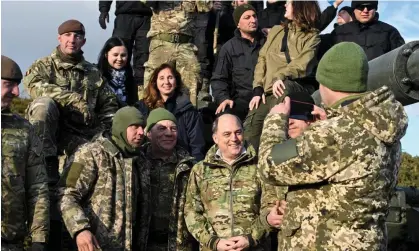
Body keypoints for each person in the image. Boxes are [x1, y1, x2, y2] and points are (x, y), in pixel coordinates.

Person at [258, 42, 408, 250]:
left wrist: (275, 121)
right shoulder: (381, 126)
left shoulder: (334, 134)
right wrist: (331, 120)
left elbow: (270, 164)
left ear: (326, 83)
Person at [23, 19, 118, 250]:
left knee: (72, 192)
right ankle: (44, 163)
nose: (72, 40)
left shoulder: (93, 74)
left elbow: (109, 106)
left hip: (79, 147)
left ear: (83, 41)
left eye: (77, 36)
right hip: (47, 144)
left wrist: (104, 134)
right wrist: (73, 99)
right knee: (44, 105)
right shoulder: (44, 65)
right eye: (67, 35)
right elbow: (34, 87)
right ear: (59, 38)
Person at [184, 113, 282, 251]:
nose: (234, 138)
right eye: (227, 134)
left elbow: (270, 206)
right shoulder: (200, 170)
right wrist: (214, 242)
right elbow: (191, 212)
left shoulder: (260, 166)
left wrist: (251, 238)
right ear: (215, 138)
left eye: (238, 132)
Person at [58, 106, 146, 251]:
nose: (141, 132)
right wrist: (80, 229)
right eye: (135, 126)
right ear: (121, 127)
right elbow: (65, 193)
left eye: (143, 127)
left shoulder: (140, 160)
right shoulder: (88, 153)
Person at [244, 0, 321, 152]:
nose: (285, 5)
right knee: (250, 133)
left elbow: (302, 64)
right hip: (266, 92)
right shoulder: (277, 31)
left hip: (291, 87)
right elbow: (262, 59)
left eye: (289, 3)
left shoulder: (313, 37)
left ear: (299, 6)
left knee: (278, 128)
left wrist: (280, 76)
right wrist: (257, 88)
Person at [1, 55, 49, 251]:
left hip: (11, 243)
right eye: (8, 84)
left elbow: (37, 186)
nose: (15, 92)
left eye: (17, 85)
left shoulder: (25, 130)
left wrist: (39, 238)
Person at [136, 108, 197, 251]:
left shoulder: (190, 167)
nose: (169, 133)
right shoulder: (135, 162)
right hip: (142, 244)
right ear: (149, 134)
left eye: (173, 128)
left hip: (177, 246)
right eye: (162, 128)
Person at [142, 1, 212, 106]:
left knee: (191, 84)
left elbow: (205, 7)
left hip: (186, 44)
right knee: (154, 85)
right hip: (161, 42)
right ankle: (153, 117)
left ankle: (187, 118)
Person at [135, 63, 206, 161]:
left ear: (176, 82)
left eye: (170, 77)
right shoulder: (143, 107)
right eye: (162, 78)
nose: (166, 82)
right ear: (155, 82)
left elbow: (197, 144)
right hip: (149, 162)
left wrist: (194, 167)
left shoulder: (187, 109)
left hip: (181, 162)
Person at [211, 4, 266, 121]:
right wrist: (223, 98)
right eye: (247, 17)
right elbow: (219, 79)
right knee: (225, 117)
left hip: (265, 97)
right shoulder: (228, 48)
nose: (253, 20)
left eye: (254, 16)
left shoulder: (268, 42)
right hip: (240, 101)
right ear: (238, 24)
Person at [98, 0, 152, 92]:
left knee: (144, 55)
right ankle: (110, 87)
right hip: (124, 14)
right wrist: (104, 10)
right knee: (118, 52)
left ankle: (140, 91)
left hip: (147, 15)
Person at [332, 1, 405, 60]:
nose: (365, 10)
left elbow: (402, 59)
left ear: (375, 9)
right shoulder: (339, 32)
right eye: (361, 7)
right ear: (354, 9)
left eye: (369, 7)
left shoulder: (390, 31)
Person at [97, 36, 139, 107]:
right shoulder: (97, 75)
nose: (119, 59)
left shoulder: (130, 80)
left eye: (123, 55)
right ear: (106, 55)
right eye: (115, 55)